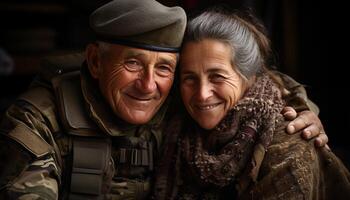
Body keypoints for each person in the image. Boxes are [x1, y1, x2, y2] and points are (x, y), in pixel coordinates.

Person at [0, 1, 327, 199]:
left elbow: (248, 78)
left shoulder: (183, 98)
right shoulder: (40, 118)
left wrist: (300, 106)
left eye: (165, 68)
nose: (148, 85)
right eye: (132, 64)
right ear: (96, 62)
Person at [153, 9, 350, 200]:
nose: (202, 94)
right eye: (190, 78)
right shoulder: (173, 125)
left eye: (217, 77)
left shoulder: (288, 142)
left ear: (249, 78)